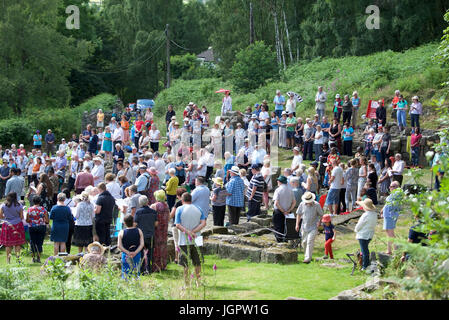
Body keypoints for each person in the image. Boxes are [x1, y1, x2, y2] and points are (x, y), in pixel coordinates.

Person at [175, 192, 207, 286]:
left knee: (185, 264)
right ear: (191, 200)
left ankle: (187, 284)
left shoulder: (179, 209)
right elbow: (203, 223)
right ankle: (198, 282)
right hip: (197, 238)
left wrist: (188, 232)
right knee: (198, 262)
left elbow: (177, 225)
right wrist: (194, 231)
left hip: (184, 239)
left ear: (182, 200)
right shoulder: (199, 208)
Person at [295, 192, 323, 263]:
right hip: (304, 226)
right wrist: (297, 224)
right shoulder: (302, 204)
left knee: (310, 241)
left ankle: (308, 258)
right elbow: (298, 214)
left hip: (313, 226)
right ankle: (306, 256)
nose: (309, 203)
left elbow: (321, 214)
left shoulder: (317, 205)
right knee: (304, 242)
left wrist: (319, 222)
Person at [135, 195, 158, 274]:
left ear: (140, 203)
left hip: (141, 235)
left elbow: (135, 223)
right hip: (150, 234)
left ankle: (141, 270)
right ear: (147, 202)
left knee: (140, 252)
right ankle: (149, 269)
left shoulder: (138, 212)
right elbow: (156, 223)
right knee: (150, 254)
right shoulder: (153, 211)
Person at [0, 192, 26, 263]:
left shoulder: (3, 205)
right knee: (18, 243)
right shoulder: (19, 205)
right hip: (17, 225)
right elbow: (21, 217)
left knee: (8, 244)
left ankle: (8, 260)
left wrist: (6, 217)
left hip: (7, 225)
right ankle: (18, 259)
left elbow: (0, 216)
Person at [118, 214, 145, 278]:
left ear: (124, 223)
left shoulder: (121, 232)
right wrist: (135, 252)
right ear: (133, 221)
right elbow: (142, 244)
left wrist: (127, 252)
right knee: (136, 272)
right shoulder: (139, 231)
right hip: (137, 254)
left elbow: (119, 246)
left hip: (126, 255)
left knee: (126, 272)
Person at [354, 198, 378, 270]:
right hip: (370, 234)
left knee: (364, 251)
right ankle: (363, 263)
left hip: (363, 235)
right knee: (364, 250)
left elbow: (360, 224)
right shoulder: (374, 214)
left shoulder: (365, 215)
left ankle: (365, 266)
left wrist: (356, 229)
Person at [150, 190, 170, 272]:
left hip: (157, 228)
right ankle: (163, 265)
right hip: (164, 228)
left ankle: (156, 266)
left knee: (156, 247)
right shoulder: (166, 206)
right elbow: (168, 218)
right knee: (163, 246)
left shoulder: (154, 206)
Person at [380, 181, 402, 255]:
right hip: (387, 215)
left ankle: (395, 249)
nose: (390, 188)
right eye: (390, 186)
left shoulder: (397, 194)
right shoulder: (393, 194)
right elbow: (387, 203)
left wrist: (397, 189)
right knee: (388, 232)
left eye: (392, 186)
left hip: (391, 215)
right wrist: (382, 210)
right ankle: (389, 249)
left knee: (390, 233)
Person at [272, 176, 296, 243]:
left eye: (278, 181)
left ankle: (279, 242)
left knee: (278, 227)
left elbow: (276, 203)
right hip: (288, 211)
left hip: (279, 212)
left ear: (280, 182)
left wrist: (283, 211)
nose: (277, 182)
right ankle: (285, 241)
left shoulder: (278, 190)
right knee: (286, 227)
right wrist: (288, 210)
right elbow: (294, 202)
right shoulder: (290, 190)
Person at [26, 196, 49, 263]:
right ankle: (38, 257)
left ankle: (33, 257)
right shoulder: (43, 209)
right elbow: (47, 220)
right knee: (40, 242)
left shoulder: (30, 209)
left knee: (32, 242)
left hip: (32, 227)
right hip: (41, 227)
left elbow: (27, 220)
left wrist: (32, 220)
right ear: (40, 201)